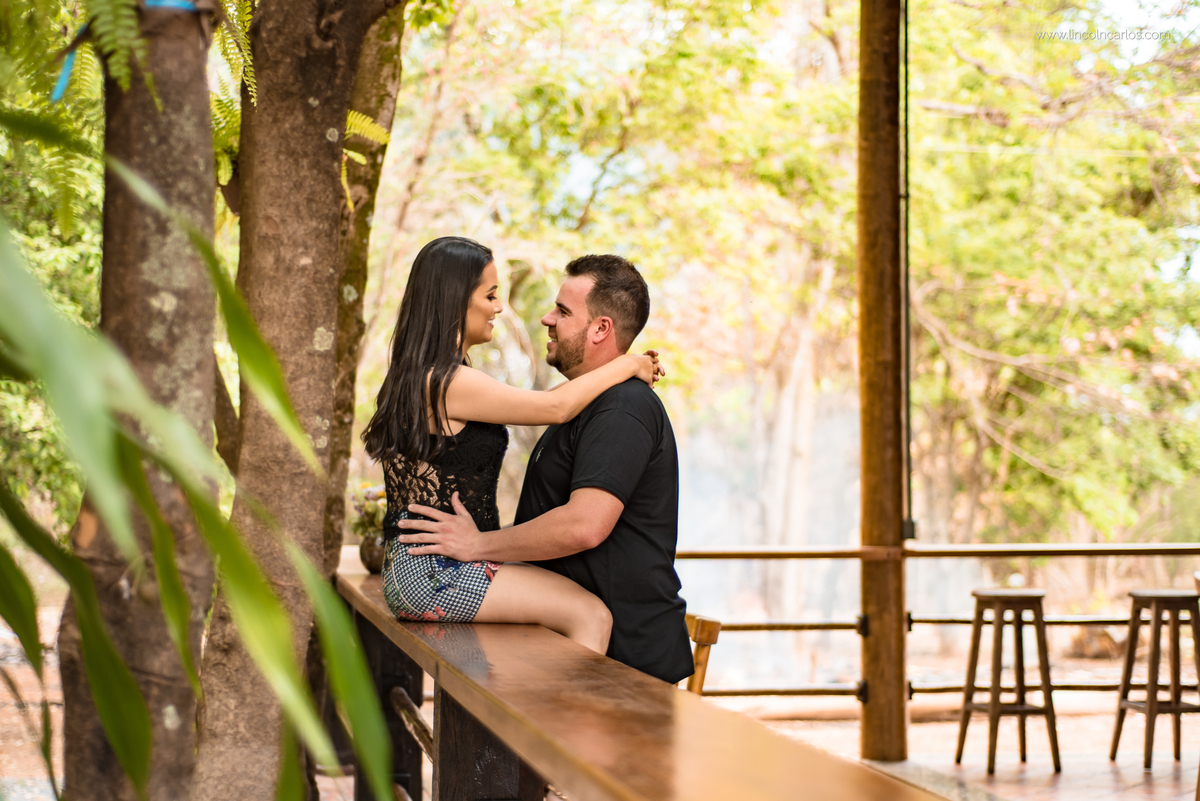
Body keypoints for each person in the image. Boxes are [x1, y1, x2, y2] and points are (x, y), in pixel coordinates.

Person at [394, 254, 694, 685]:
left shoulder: (623, 407)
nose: (545, 318)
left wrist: (480, 546)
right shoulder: (573, 403)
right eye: (491, 294)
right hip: (567, 649)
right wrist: (628, 363)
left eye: (563, 311)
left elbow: (583, 526)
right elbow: (553, 406)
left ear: (601, 328)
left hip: (625, 664)